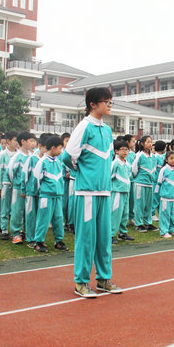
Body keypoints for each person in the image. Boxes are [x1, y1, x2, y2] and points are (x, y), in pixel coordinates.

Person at [64, 87, 123, 298]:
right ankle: (80, 282)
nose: (109, 105)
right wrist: (83, 174)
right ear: (92, 104)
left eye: (110, 101)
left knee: (104, 239)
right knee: (86, 239)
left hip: (104, 192)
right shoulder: (83, 127)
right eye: (106, 101)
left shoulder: (106, 130)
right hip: (87, 193)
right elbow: (68, 157)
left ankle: (103, 279)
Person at [31, 135, 67, 253]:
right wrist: (40, 193)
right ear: (53, 148)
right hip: (46, 196)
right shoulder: (42, 162)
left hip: (57, 196)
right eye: (60, 148)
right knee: (43, 219)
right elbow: (37, 180)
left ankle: (59, 240)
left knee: (58, 218)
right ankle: (38, 241)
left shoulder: (58, 162)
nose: (61, 151)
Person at [8, 132, 36, 244]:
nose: (33, 143)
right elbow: (10, 172)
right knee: (17, 210)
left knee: (29, 211)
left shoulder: (32, 155)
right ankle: (16, 233)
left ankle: (28, 232)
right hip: (18, 188)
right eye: (31, 141)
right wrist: (15, 183)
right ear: (23, 142)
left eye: (34, 141)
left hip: (30, 189)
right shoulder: (17, 156)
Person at [132, 136, 157, 232]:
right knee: (139, 204)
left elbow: (154, 169)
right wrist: (137, 178)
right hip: (140, 183)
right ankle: (138, 224)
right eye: (148, 142)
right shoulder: (139, 155)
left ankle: (148, 223)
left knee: (148, 205)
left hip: (150, 184)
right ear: (142, 144)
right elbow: (134, 169)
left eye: (151, 142)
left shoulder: (153, 156)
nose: (150, 144)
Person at [110, 139, 134, 243]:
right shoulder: (115, 163)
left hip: (126, 191)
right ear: (116, 151)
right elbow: (109, 177)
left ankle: (123, 232)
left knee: (125, 213)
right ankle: (110, 234)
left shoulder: (128, 164)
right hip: (117, 192)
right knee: (115, 213)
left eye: (126, 149)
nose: (125, 152)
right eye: (122, 149)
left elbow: (129, 176)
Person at [0, 131, 18, 240]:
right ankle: (4, 230)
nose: (16, 143)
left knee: (16, 208)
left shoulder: (19, 154)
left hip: (16, 185)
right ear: (8, 141)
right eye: (15, 140)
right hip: (6, 184)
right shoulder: (2, 154)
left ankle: (17, 230)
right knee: (5, 207)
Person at [157, 151, 174, 238]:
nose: (173, 160)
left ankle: (173, 229)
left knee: (173, 215)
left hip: (173, 198)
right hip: (165, 198)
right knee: (165, 215)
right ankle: (164, 231)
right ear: (166, 159)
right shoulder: (164, 170)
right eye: (171, 158)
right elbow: (159, 182)